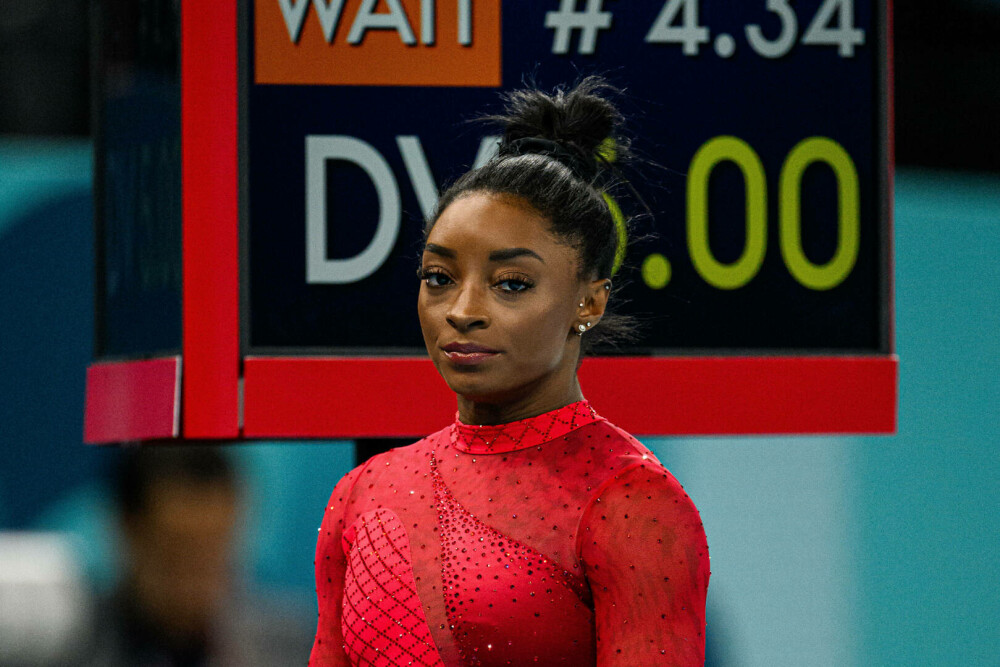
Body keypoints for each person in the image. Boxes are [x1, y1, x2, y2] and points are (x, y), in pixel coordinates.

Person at [310, 78, 710, 667]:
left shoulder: (631, 501)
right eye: (439, 278)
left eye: (511, 284)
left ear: (589, 302)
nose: (463, 311)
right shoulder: (360, 493)